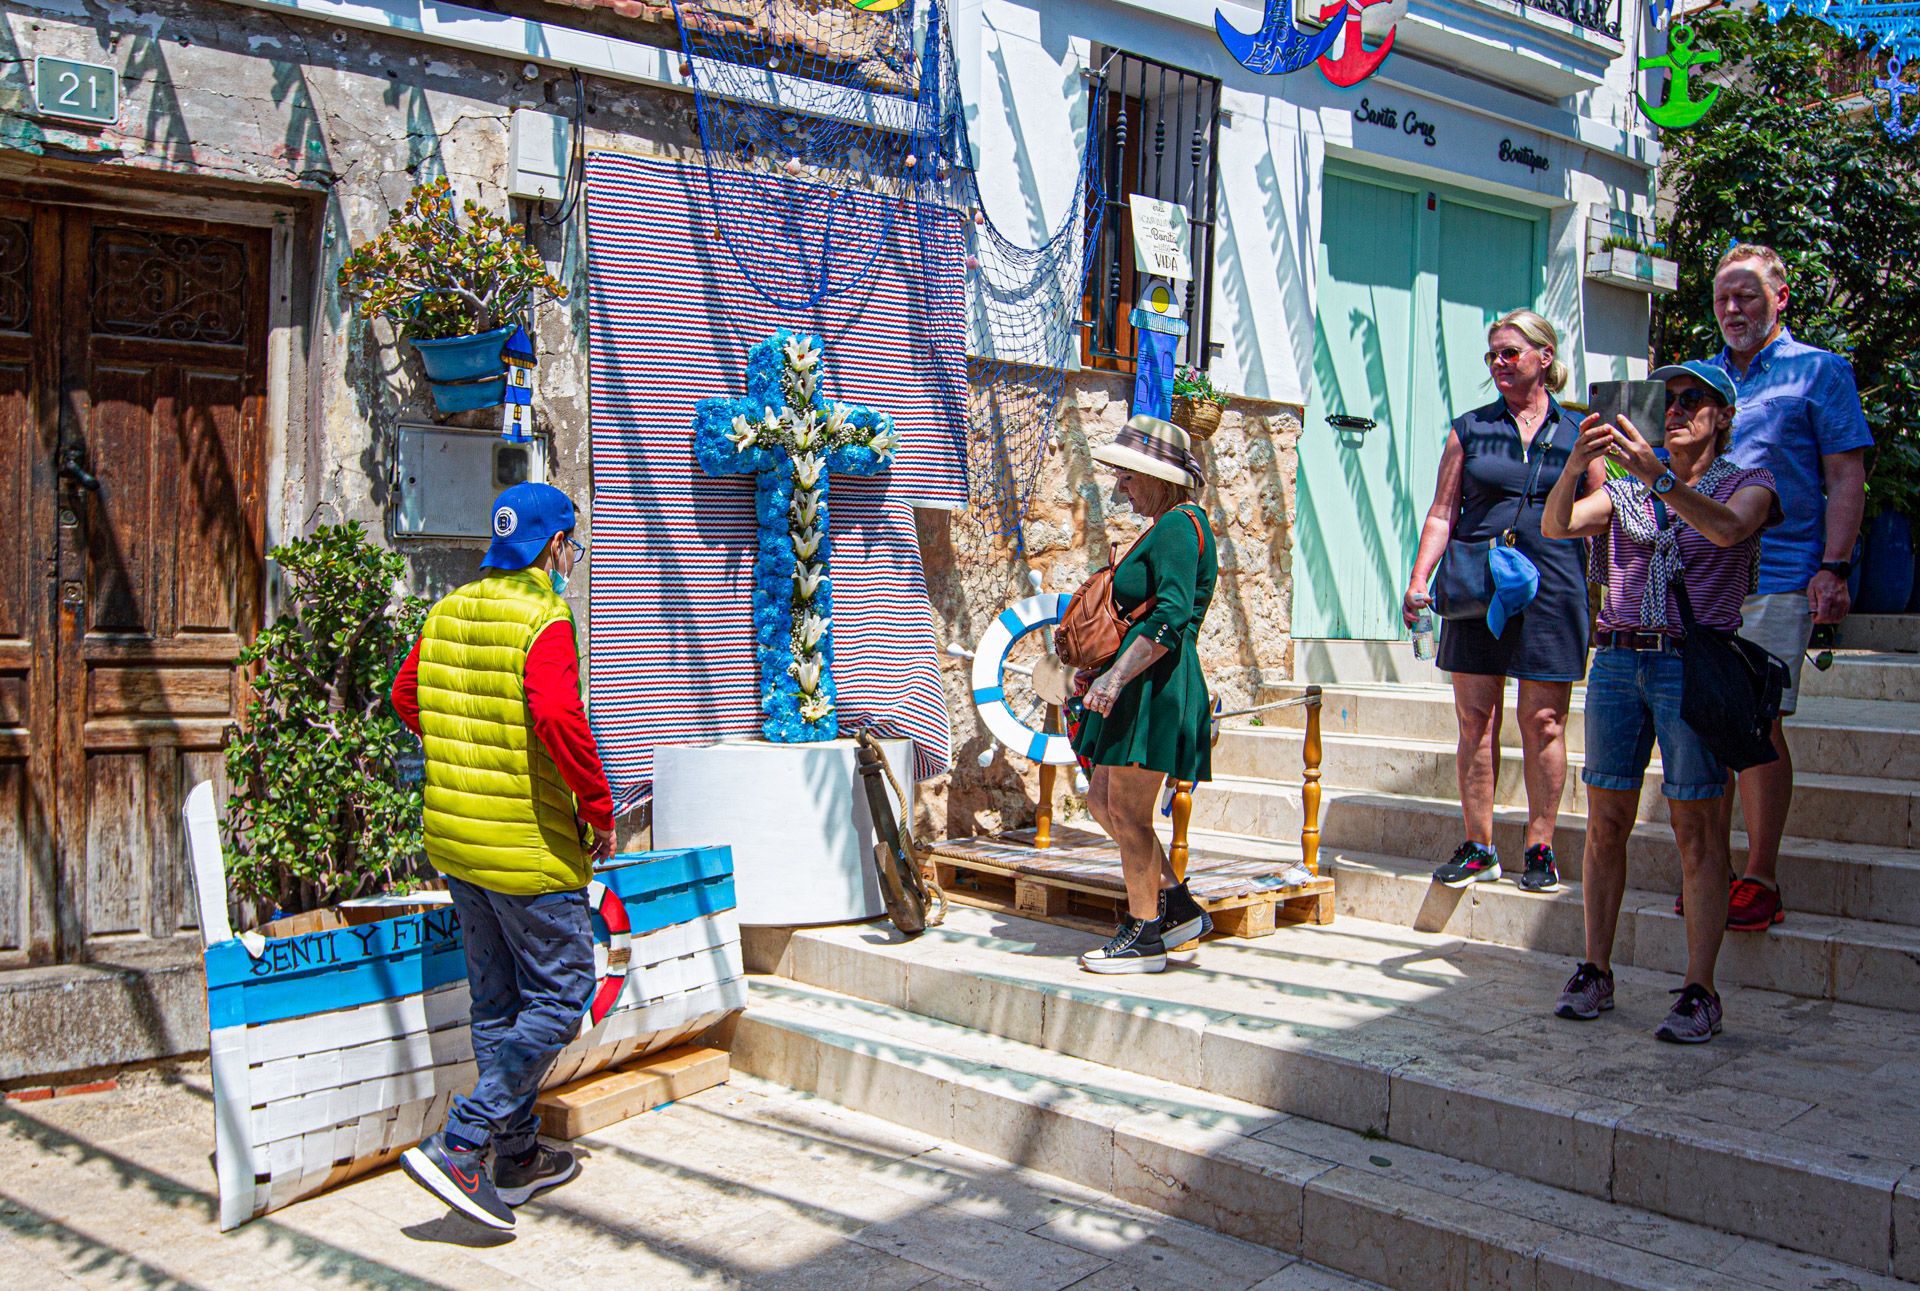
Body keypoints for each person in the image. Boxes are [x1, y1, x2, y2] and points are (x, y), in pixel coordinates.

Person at [389, 482, 616, 1229]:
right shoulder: (544, 616)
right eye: (571, 545)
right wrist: (596, 806)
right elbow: (555, 714)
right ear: (553, 545)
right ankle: (464, 1138)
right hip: (528, 850)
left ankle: (515, 1158)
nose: (572, 558)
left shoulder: (447, 609)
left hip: (457, 841)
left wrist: (462, 754)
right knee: (562, 993)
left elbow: (405, 695)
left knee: (497, 1001)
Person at [1542, 362, 1779, 1043]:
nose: (1675, 410)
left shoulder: (1749, 482)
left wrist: (1659, 478)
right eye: (1666, 400)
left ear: (1722, 416)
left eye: (1691, 400)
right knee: (1606, 819)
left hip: (1690, 665)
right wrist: (1576, 462)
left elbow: (1732, 530)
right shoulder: (1624, 491)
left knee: (1697, 829)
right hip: (1617, 657)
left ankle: (1700, 988)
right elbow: (1560, 525)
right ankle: (1595, 968)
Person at [1404, 310, 1602, 894]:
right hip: (1475, 582)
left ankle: (1540, 847)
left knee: (1543, 721)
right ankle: (1479, 844)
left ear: (1545, 357)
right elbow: (1443, 512)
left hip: (1554, 584)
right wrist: (1419, 579)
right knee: (1475, 719)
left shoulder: (1578, 432)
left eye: (1510, 353)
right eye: (1492, 354)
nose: (1498, 364)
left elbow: (1604, 512)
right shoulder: (1469, 428)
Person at [1706, 244, 1871, 932]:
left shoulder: (1819, 371)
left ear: (1781, 298)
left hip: (1779, 571)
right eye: (1723, 298)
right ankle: (1709, 870)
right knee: (1705, 722)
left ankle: (1760, 875)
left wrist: (1833, 566)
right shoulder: (1700, 379)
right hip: (1703, 575)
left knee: (1757, 719)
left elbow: (1845, 475)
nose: (1733, 308)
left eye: (1746, 294)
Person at [1072, 415, 1218, 974]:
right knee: (1102, 803)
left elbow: (1173, 613)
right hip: (1141, 684)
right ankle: (1177, 907)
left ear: (1158, 477)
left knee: (1129, 815)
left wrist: (1115, 677)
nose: (1120, 489)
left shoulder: (1181, 524)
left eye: (1128, 478)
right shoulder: (1168, 524)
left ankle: (1145, 936)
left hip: (1154, 684)